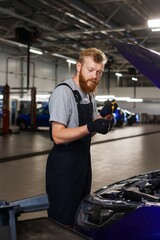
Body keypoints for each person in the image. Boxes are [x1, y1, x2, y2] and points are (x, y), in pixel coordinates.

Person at [46, 47, 115, 227]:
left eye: (99, 72)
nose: (95, 76)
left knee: (80, 215)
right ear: (78, 66)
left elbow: (88, 130)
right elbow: (58, 135)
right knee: (62, 218)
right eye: (90, 70)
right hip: (64, 165)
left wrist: (102, 120)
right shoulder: (64, 92)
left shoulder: (89, 94)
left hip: (83, 162)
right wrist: (91, 126)